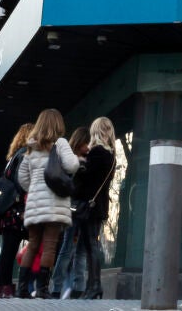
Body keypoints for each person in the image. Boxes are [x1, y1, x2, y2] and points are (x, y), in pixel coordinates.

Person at [16, 109, 82, 299]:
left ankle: (22, 288)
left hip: (34, 203)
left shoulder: (31, 148)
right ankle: (42, 289)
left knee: (33, 244)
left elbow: (22, 178)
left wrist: (35, 188)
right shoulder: (60, 143)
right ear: (58, 124)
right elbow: (72, 165)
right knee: (50, 245)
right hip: (54, 202)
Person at [66, 117, 117, 300]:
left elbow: (86, 181)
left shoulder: (96, 152)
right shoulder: (111, 155)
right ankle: (92, 286)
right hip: (99, 205)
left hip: (89, 205)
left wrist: (79, 166)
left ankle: (95, 285)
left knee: (90, 246)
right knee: (90, 245)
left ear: (95, 130)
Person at [48, 127, 91, 298]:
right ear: (79, 142)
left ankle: (76, 287)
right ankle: (58, 287)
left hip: (80, 208)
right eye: (86, 143)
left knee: (77, 250)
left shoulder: (83, 160)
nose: (88, 147)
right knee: (68, 248)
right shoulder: (72, 161)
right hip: (73, 208)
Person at [0, 123, 34, 299]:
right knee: (10, 250)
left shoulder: (12, 157)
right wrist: (24, 206)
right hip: (16, 210)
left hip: (6, 211)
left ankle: (0, 288)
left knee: (7, 251)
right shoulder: (23, 154)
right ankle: (7, 287)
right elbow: (21, 182)